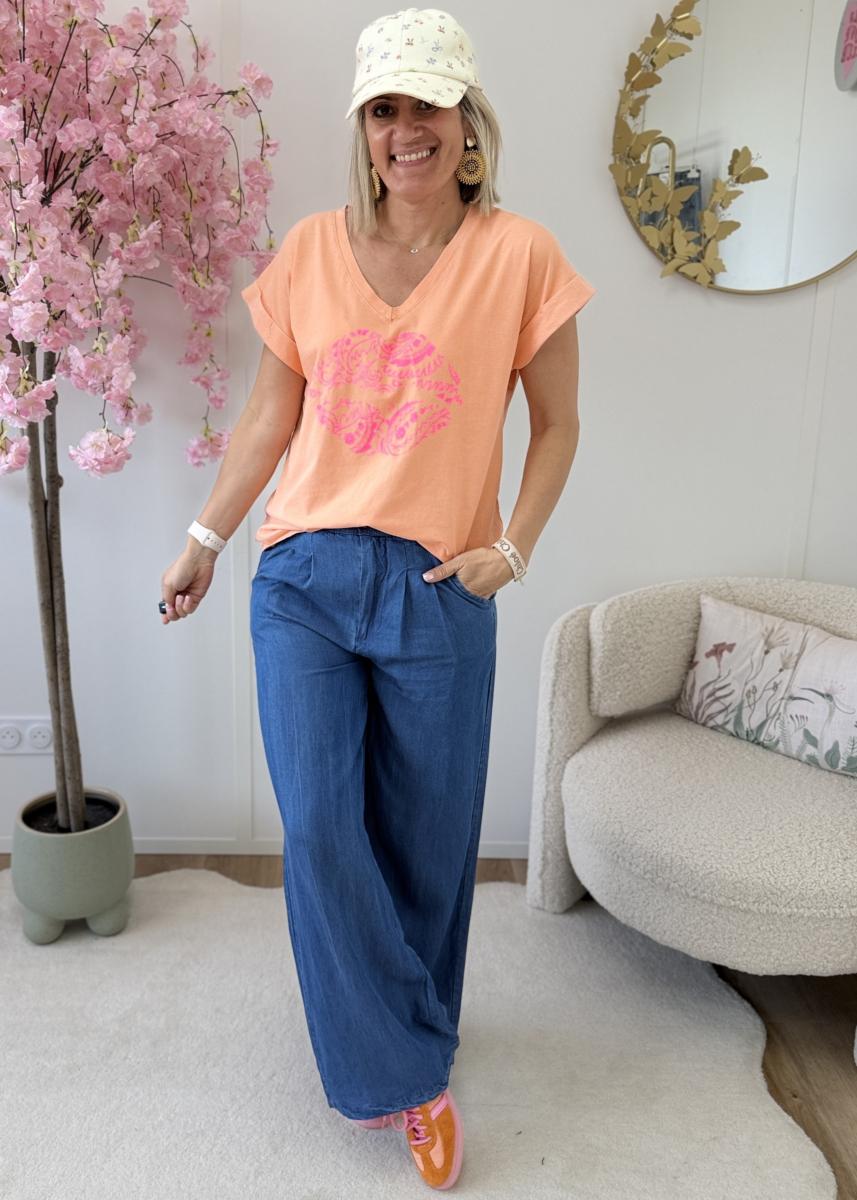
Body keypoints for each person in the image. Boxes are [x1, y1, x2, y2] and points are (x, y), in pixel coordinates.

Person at [159, 6, 595, 1190]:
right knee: (318, 828)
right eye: (384, 109)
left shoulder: (519, 255)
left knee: (428, 838)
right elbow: (269, 416)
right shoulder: (309, 251)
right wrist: (205, 537)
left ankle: (415, 1027)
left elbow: (557, 424)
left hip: (439, 581)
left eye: (428, 105)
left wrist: (514, 547)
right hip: (304, 577)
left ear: (467, 118)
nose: (407, 129)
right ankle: (406, 1076)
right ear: (362, 127)